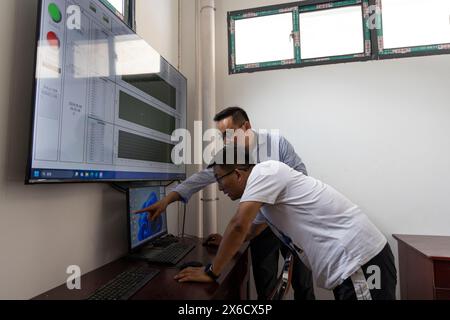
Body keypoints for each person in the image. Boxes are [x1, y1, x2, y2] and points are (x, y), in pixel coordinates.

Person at [136, 107, 315, 300]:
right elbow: (204, 176)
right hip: (261, 223)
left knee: (302, 284)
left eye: (229, 134)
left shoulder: (276, 144)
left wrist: (220, 260)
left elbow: (300, 179)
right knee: (266, 287)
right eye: (222, 136)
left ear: (246, 127)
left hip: (292, 222)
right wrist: (167, 200)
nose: (226, 141)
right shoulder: (231, 154)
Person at [173, 146, 397, 300]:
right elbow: (250, 230)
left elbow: (239, 224)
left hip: (360, 261)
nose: (220, 188)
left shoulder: (265, 171)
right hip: (352, 266)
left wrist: (212, 271)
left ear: (239, 174)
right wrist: (225, 242)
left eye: (220, 179)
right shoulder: (266, 199)